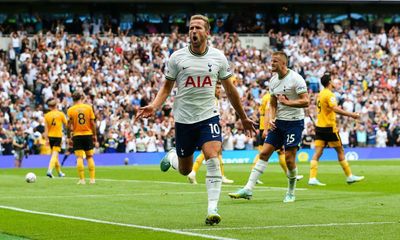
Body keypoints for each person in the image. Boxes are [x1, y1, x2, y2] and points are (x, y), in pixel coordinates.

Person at [136, 14, 255, 225]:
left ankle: (212, 209)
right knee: (186, 170)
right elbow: (166, 87)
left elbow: (230, 90)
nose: (193, 31)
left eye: (198, 28)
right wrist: (154, 106)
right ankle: (172, 157)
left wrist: (243, 117)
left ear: (207, 32)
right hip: (183, 119)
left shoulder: (218, 58)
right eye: (191, 28)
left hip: (208, 116)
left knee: (212, 155)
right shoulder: (177, 58)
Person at [229, 51, 309, 203]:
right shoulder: (273, 81)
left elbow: (306, 101)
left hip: (294, 122)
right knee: (264, 153)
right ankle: (248, 189)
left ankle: (291, 192)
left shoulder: (296, 79)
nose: (271, 64)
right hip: (278, 123)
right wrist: (271, 118)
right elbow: (272, 103)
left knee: (290, 160)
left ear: (284, 64)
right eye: (271, 61)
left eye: (275, 62)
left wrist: (288, 103)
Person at [308, 73, 364, 186]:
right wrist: (352, 115)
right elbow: (335, 109)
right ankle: (349, 176)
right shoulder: (329, 94)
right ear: (329, 82)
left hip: (319, 127)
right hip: (329, 128)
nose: (334, 82)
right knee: (340, 151)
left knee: (318, 152)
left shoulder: (320, 94)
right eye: (332, 80)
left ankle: (312, 178)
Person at [187, 81, 234, 185]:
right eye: (217, 88)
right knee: (209, 152)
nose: (219, 90)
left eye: (219, 88)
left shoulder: (215, 100)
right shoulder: (212, 100)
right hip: (209, 127)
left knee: (217, 151)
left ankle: (219, 175)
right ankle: (194, 172)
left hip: (206, 126)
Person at [252, 91, 303, 185]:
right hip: (268, 127)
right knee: (264, 153)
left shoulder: (264, 97)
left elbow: (261, 111)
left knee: (279, 152)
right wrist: (266, 129)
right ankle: (254, 175)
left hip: (264, 126)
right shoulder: (269, 97)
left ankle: (289, 173)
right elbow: (268, 111)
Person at [67, 91, 97, 185]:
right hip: (88, 134)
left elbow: (68, 126)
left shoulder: (70, 110)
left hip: (77, 135)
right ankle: (92, 179)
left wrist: (69, 137)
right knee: (89, 156)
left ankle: (82, 180)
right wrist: (95, 135)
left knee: (79, 157)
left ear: (73, 99)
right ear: (81, 97)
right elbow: (93, 123)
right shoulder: (88, 108)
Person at [44, 98, 67, 178]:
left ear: (49, 107)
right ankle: (49, 170)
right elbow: (67, 124)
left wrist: (46, 139)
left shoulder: (46, 116)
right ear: (56, 105)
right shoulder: (61, 114)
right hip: (58, 136)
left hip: (50, 137)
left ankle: (59, 172)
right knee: (55, 154)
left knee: (55, 155)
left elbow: (46, 129)